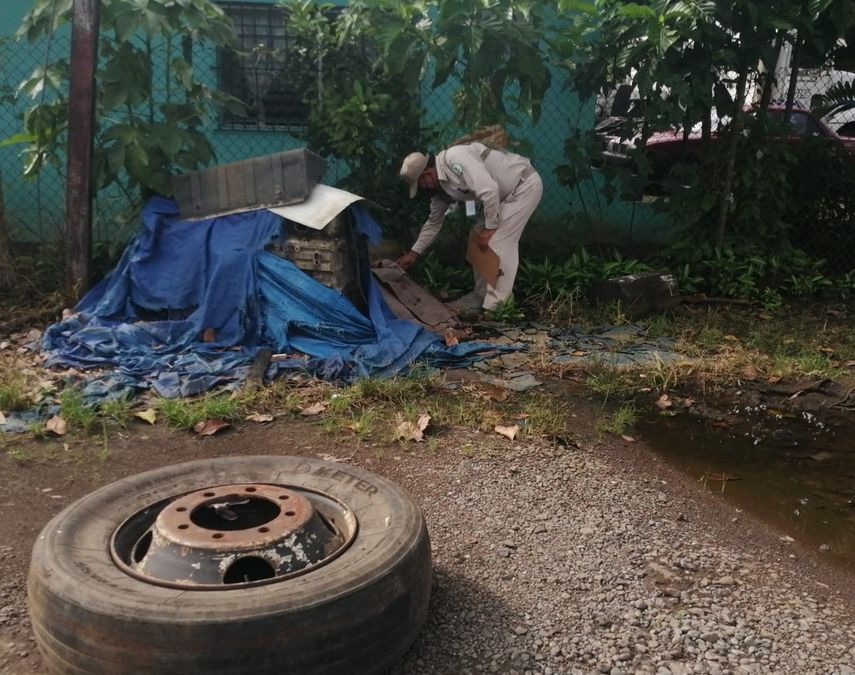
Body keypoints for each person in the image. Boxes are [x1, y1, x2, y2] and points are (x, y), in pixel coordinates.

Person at [396, 142, 543, 314]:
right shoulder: (440, 191)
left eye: (420, 184)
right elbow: (433, 223)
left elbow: (488, 190)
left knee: (498, 244)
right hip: (499, 198)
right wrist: (414, 253)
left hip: (522, 187)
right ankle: (480, 297)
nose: (422, 188)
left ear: (426, 174)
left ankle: (499, 308)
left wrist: (489, 229)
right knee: (477, 239)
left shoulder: (455, 158)